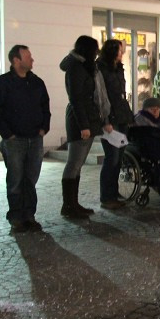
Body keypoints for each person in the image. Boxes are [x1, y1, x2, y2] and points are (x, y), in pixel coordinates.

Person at [0, 44, 50, 232]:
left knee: (30, 179)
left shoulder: (36, 82)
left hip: (34, 138)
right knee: (15, 179)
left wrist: (43, 128)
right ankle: (16, 217)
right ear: (16, 60)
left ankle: (29, 215)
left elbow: (45, 106)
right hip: (15, 140)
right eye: (28, 56)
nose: (32, 60)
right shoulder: (2, 84)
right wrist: (8, 134)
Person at [60, 35, 105, 219]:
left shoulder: (84, 67)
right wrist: (84, 126)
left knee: (77, 165)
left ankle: (73, 204)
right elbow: (77, 99)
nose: (96, 53)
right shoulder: (75, 68)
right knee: (74, 164)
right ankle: (68, 205)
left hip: (87, 119)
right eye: (95, 49)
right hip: (79, 121)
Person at [96, 39, 134, 210]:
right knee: (111, 158)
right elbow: (102, 96)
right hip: (110, 118)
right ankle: (107, 196)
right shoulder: (101, 69)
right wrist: (106, 120)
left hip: (122, 116)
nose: (122, 53)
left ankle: (113, 192)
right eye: (120, 50)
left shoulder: (118, 68)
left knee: (119, 159)